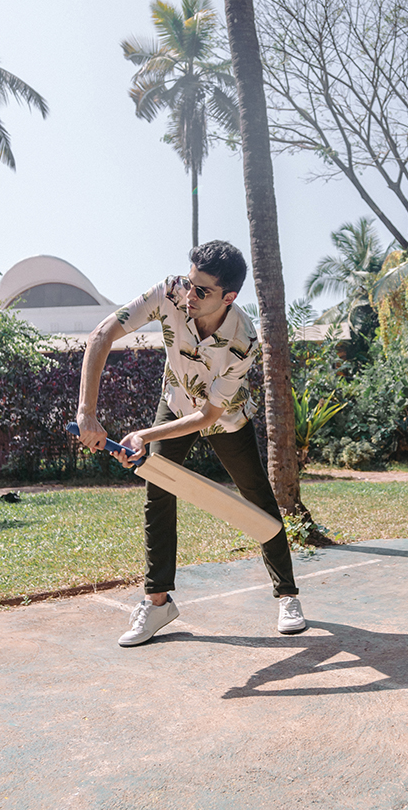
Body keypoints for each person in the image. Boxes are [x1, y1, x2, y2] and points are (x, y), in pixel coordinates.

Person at [75, 240, 306, 645]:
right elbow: (100, 336)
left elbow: (208, 417)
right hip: (176, 402)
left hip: (226, 417)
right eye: (189, 282)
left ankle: (287, 595)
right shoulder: (167, 293)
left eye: (202, 291)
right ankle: (158, 602)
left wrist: (145, 435)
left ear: (229, 297)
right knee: (158, 490)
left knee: (257, 498)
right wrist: (87, 414)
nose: (189, 295)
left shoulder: (243, 341)